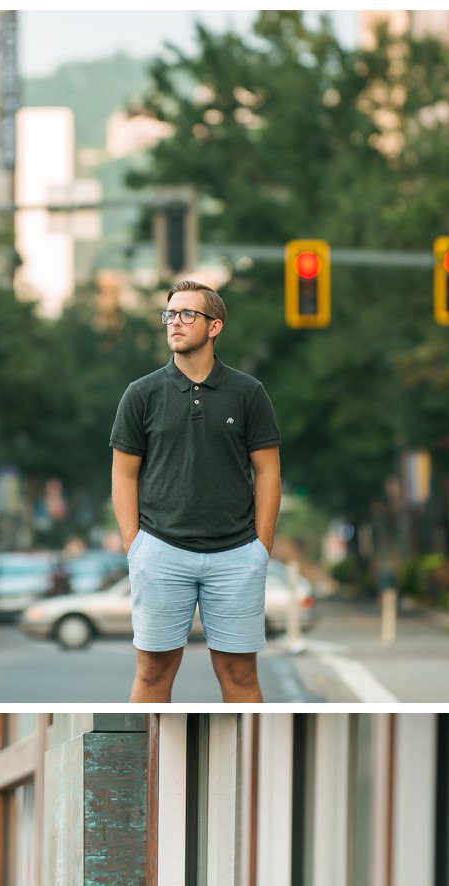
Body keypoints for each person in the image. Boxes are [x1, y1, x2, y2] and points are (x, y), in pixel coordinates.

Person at [111, 280, 283, 703]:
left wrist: (260, 546)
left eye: (188, 314)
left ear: (214, 326)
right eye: (170, 314)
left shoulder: (248, 393)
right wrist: (136, 546)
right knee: (152, 672)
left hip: (236, 554)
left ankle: (250, 767)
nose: (175, 322)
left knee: (240, 675)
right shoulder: (141, 394)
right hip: (161, 550)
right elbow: (123, 475)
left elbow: (267, 473)